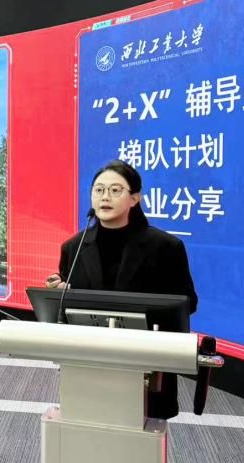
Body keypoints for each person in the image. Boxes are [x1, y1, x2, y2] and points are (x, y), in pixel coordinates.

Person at [45, 159, 197, 419]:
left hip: (145, 365)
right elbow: (67, 309)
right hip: (88, 364)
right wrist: (60, 293)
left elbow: (188, 303)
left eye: (115, 190)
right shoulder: (74, 247)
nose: (105, 197)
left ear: (135, 198)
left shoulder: (165, 247)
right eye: (99, 190)